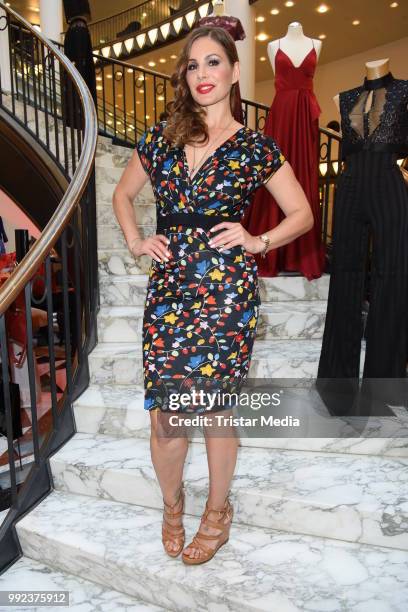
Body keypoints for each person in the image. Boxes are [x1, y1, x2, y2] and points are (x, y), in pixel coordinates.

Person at [112, 26, 313, 565]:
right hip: (171, 290)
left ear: (231, 72)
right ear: (186, 75)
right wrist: (136, 240)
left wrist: (257, 239)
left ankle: (217, 513)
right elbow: (123, 194)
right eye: (193, 65)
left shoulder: (254, 146)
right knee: (168, 418)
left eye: (213, 63)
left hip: (226, 293)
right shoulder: (161, 137)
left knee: (217, 411)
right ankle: (172, 506)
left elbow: (302, 214)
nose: (202, 74)